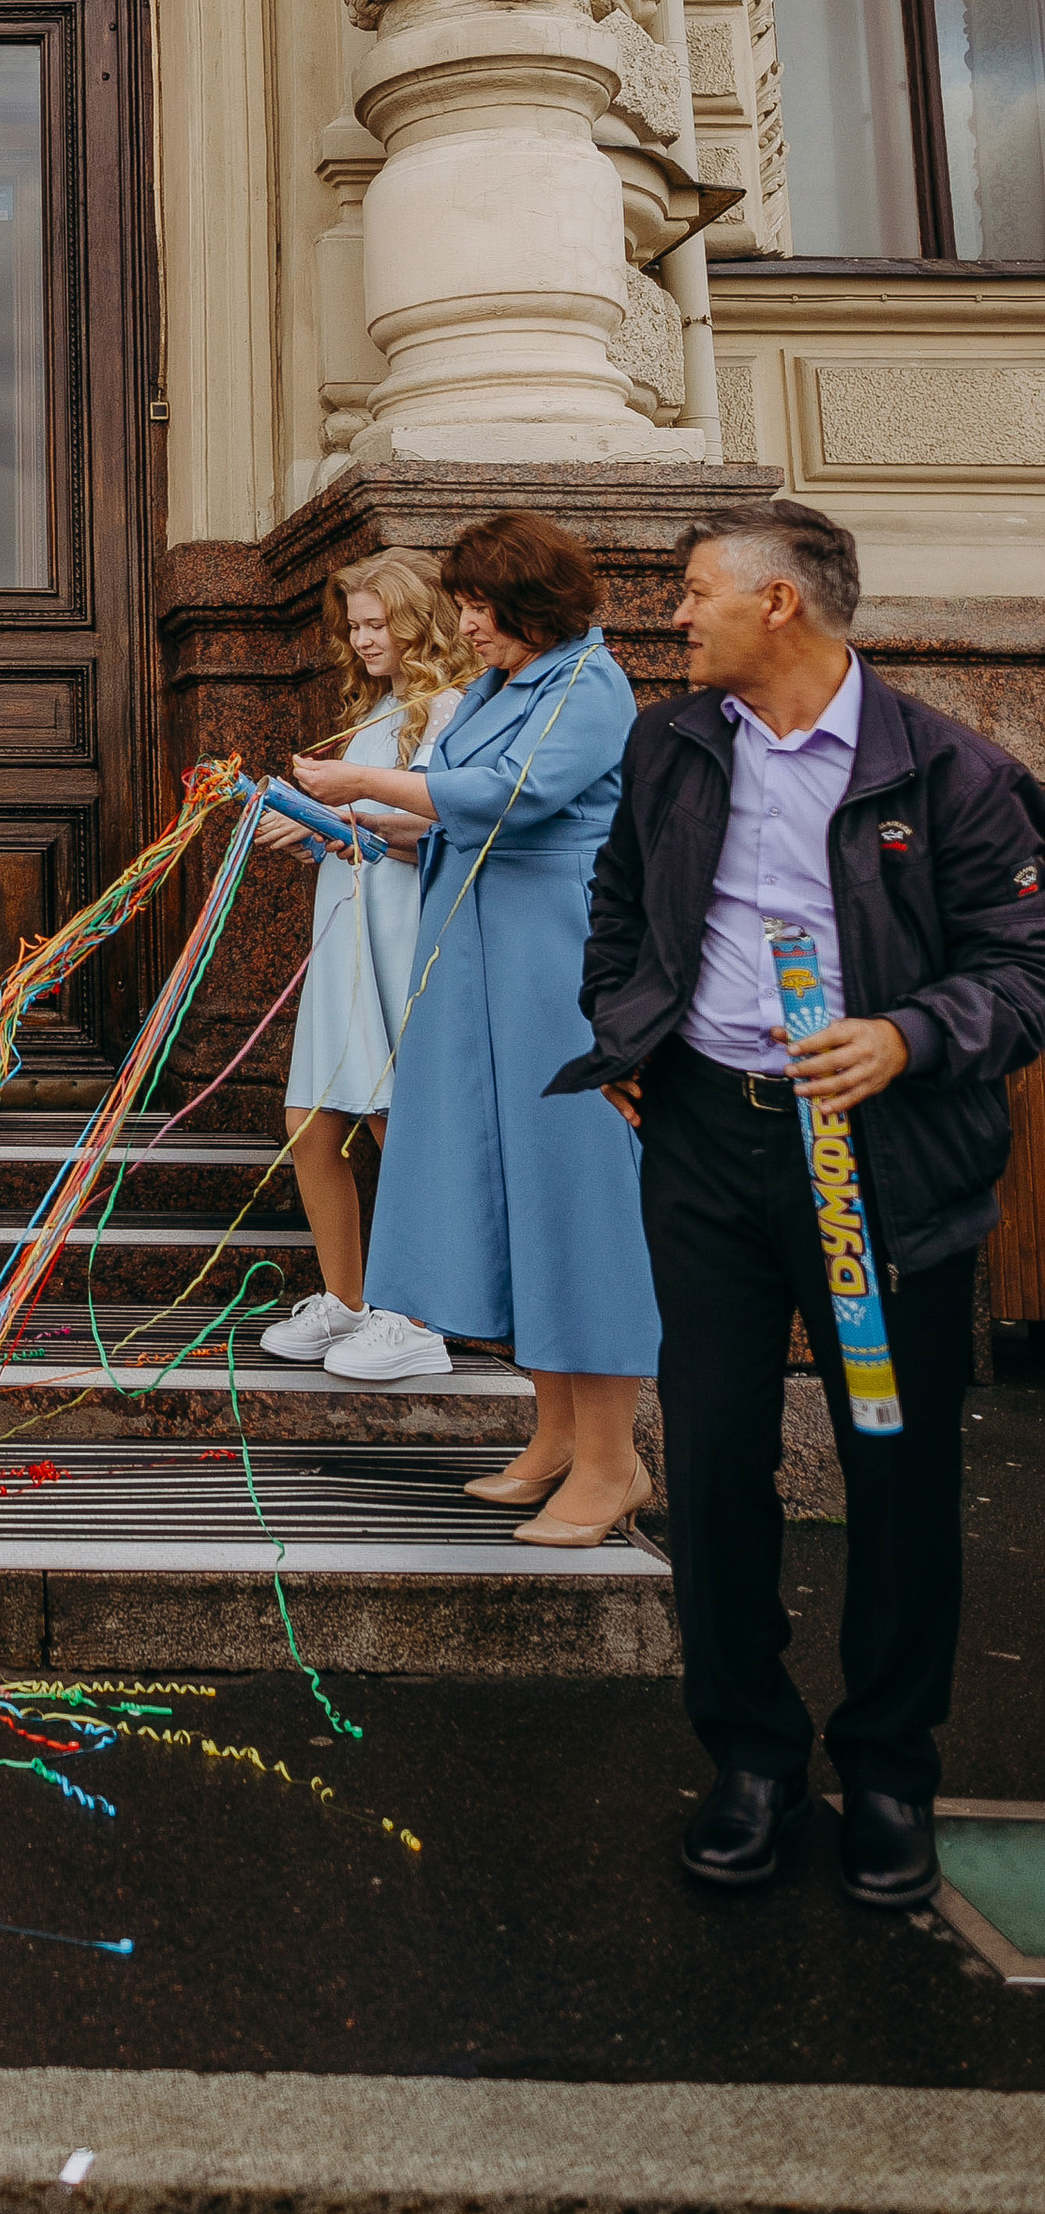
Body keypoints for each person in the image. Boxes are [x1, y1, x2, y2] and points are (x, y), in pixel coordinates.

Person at [554, 500, 1045, 1910]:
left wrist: (907, 1037)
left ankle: (889, 1770)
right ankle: (752, 1756)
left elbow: (1025, 969)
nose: (675, 615)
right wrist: (627, 1029)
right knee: (710, 1466)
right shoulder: (674, 742)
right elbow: (621, 903)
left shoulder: (947, 772)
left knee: (895, 1471)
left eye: (697, 593)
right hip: (710, 1151)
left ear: (781, 606)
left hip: (881, 1170)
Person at [292, 507, 655, 1544]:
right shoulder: (500, 684)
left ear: (531, 604)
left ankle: (610, 1461)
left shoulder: (588, 683)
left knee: (576, 1207)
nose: (468, 625)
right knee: (504, 1203)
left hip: (554, 974)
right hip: (474, 972)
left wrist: (363, 782)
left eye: (481, 606)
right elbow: (443, 813)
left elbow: (509, 797)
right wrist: (354, 818)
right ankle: (552, 1439)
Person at [257, 551, 475, 1365]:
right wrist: (309, 828)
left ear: (418, 621)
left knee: (393, 1117)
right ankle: (346, 1298)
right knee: (311, 1117)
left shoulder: (448, 708)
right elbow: (360, 833)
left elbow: (435, 828)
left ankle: (419, 1314)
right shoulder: (375, 710)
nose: (364, 637)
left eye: (379, 623)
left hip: (403, 932)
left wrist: (333, 819)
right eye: (353, 625)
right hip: (348, 926)